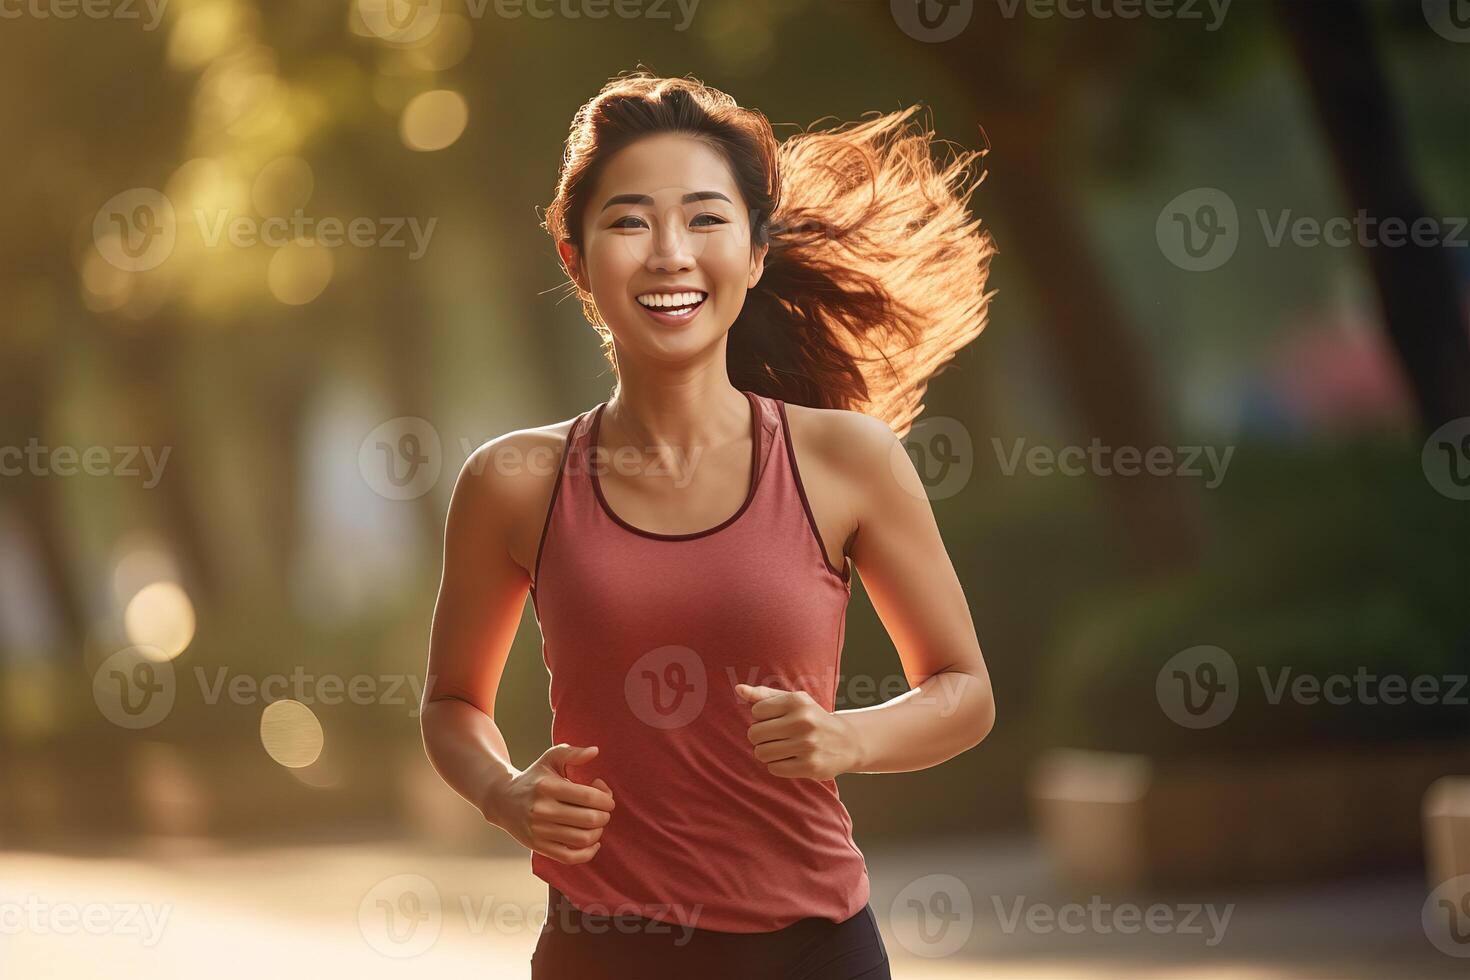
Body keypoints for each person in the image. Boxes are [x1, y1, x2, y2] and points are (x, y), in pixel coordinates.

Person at [420, 71, 997, 980]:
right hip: (598, 953)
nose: (668, 253)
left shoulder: (849, 461)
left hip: (811, 951)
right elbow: (453, 702)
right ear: (574, 258)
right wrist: (503, 791)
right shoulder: (514, 481)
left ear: (755, 251)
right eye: (628, 221)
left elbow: (964, 689)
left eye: (704, 218)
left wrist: (852, 737)